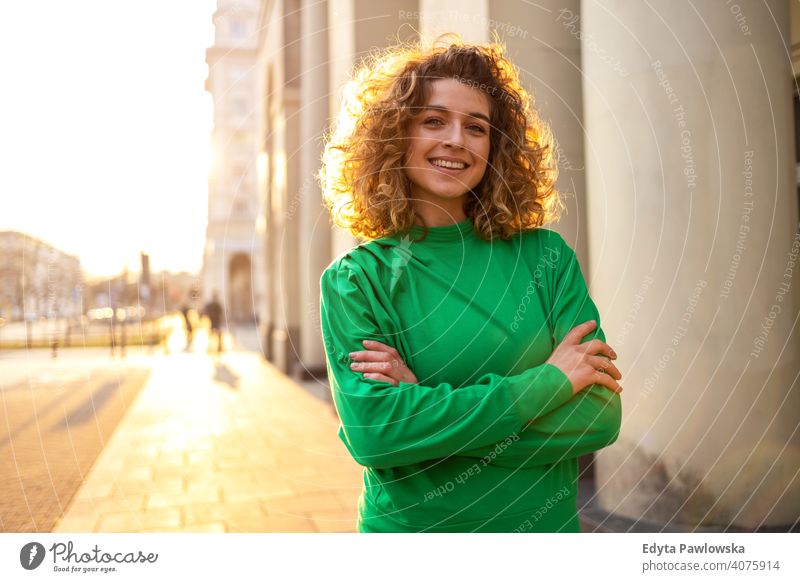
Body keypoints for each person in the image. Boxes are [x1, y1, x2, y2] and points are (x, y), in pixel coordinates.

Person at [318, 37, 623, 533]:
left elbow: (599, 416)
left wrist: (427, 419)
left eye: (476, 127)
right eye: (434, 120)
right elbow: (376, 436)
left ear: (495, 146)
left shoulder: (545, 257)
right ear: (396, 135)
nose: (456, 139)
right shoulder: (356, 281)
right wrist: (548, 383)